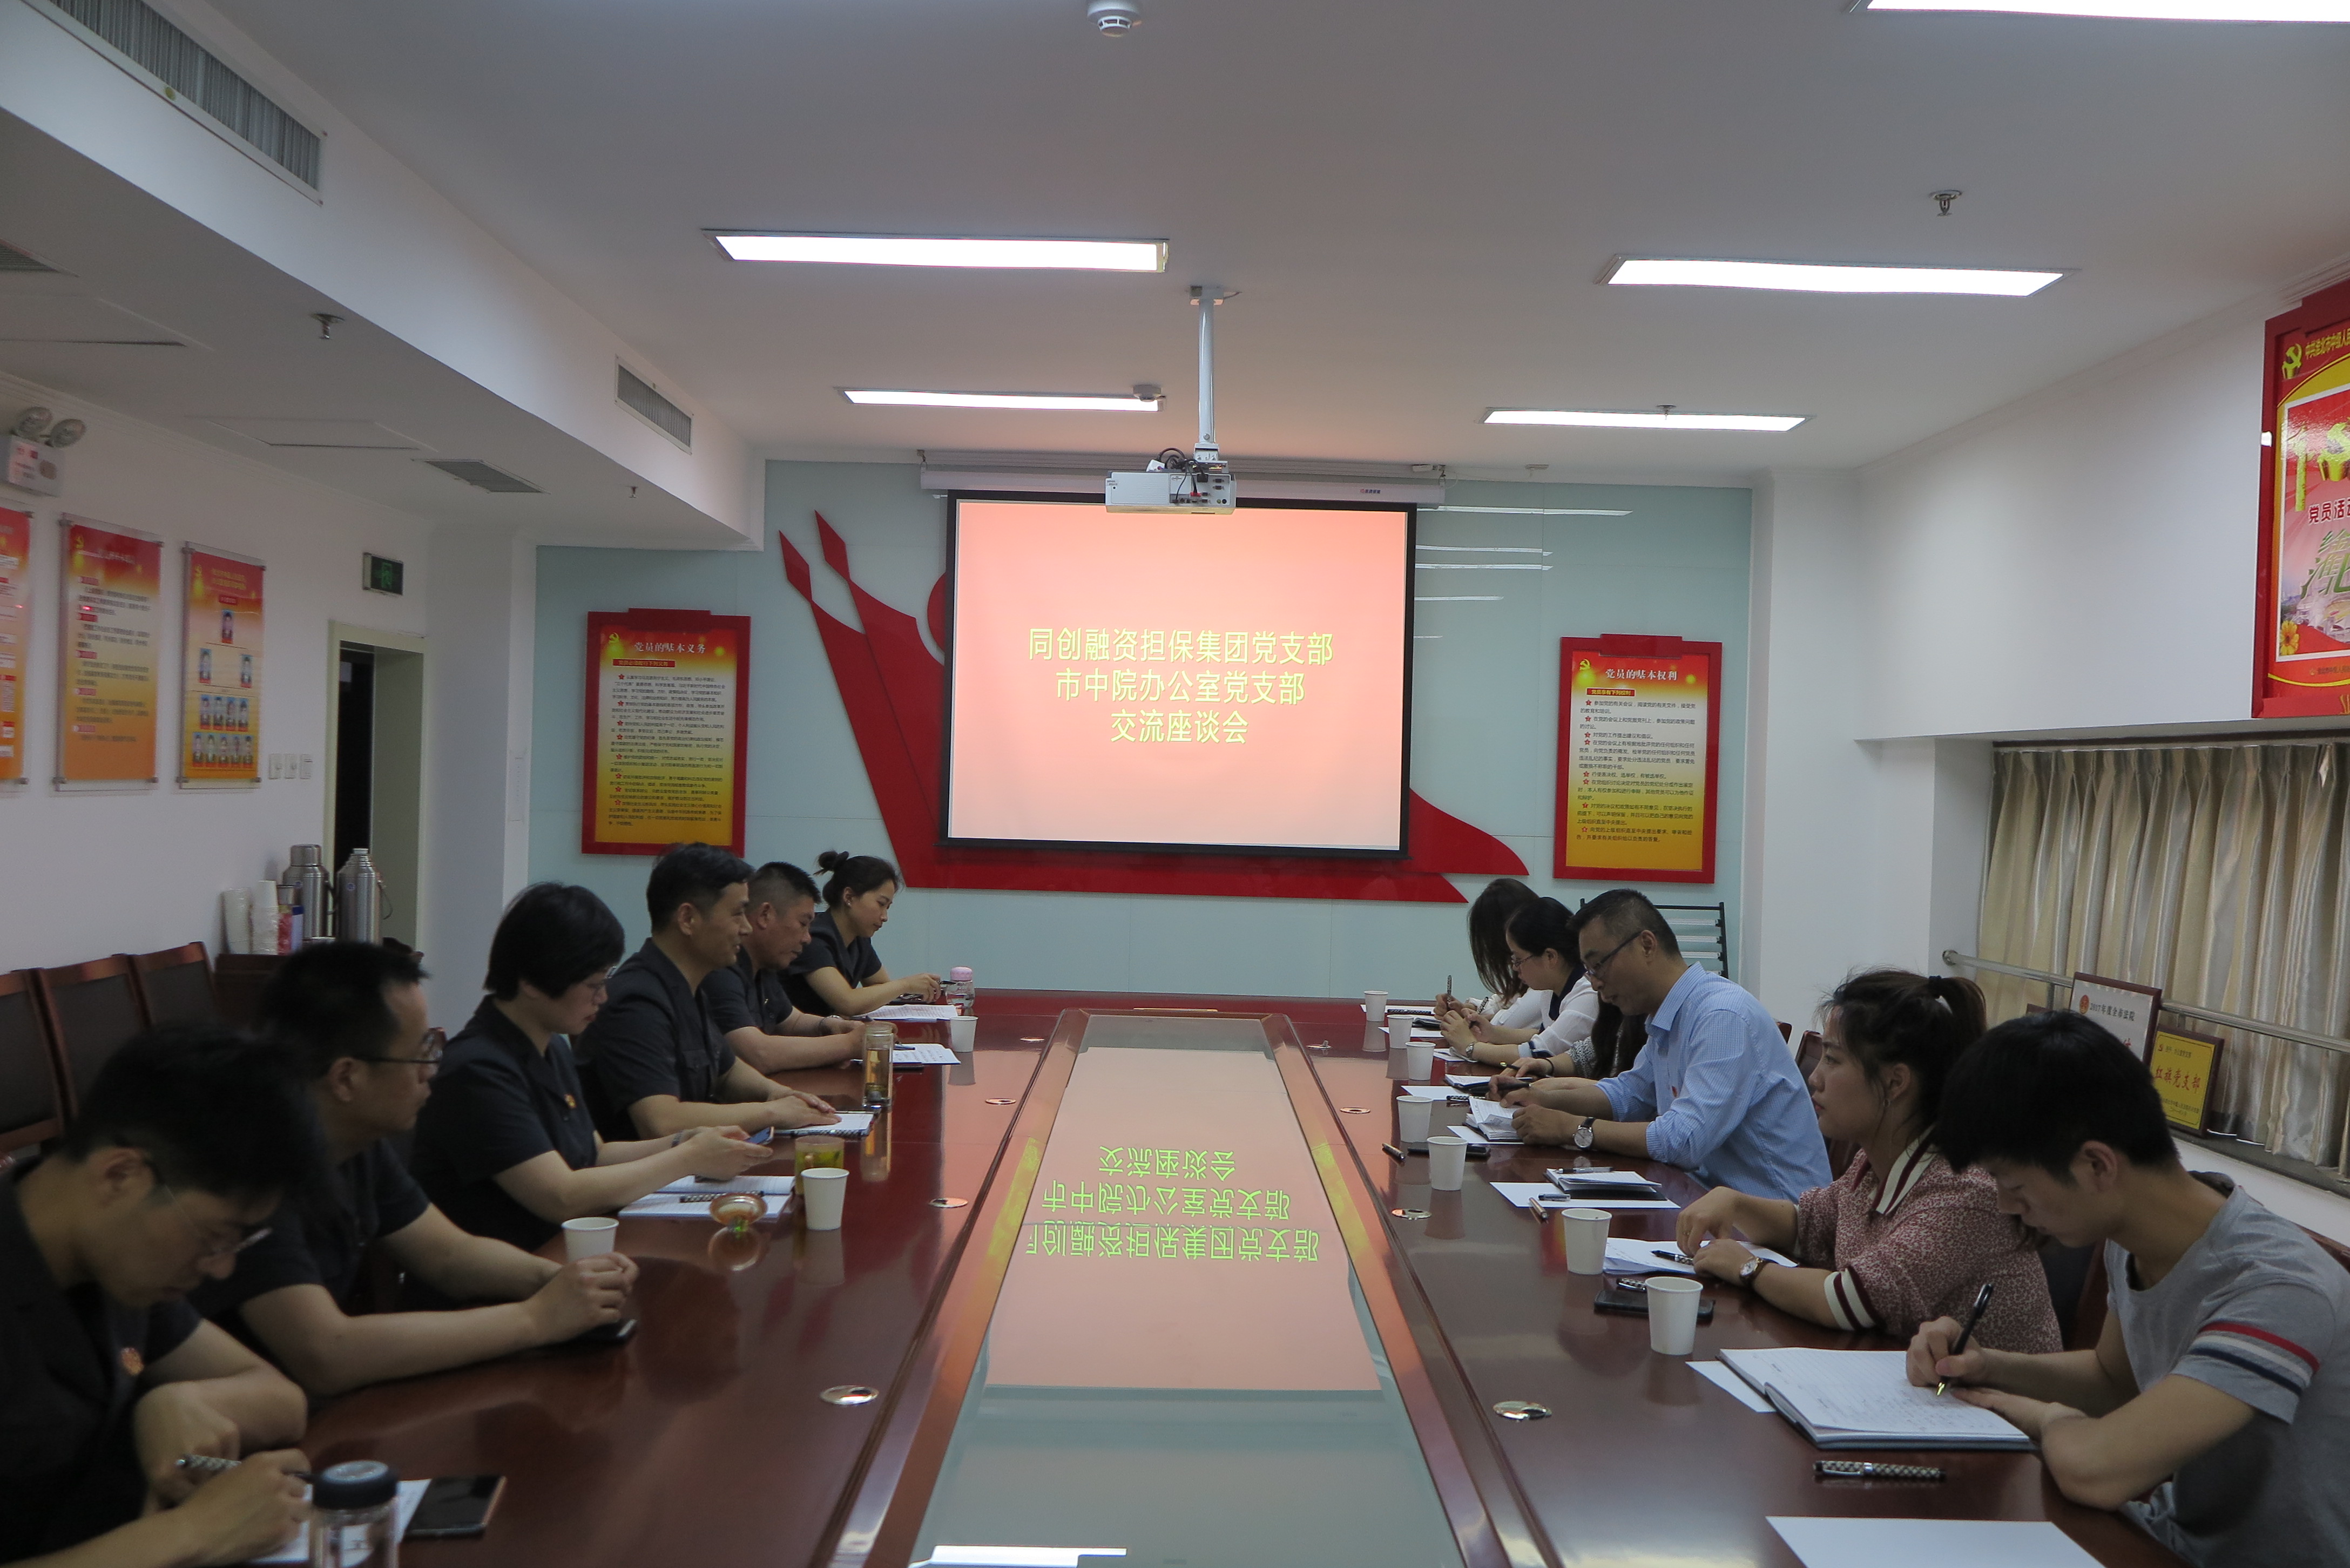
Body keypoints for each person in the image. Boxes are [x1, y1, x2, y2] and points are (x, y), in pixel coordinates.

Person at [1909, 1009, 2350, 1567]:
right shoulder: (2132, 1236)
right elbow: (2114, 1381)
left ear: (2097, 1165)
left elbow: (2096, 1472)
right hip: (2169, 1541)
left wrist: (2046, 1417)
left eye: (2013, 1184)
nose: (2004, 1205)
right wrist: (1985, 1366)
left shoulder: (2278, 1287)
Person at [191, 944, 639, 1397]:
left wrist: (561, 1282)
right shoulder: (254, 1167)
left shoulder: (356, 1142)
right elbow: (327, 1353)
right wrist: (536, 1319)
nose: (432, 1071)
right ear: (346, 1078)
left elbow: (449, 1255)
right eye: (421, 1052)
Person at [2, 1027, 316, 1568]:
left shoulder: (115, 1266)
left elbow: (282, 1398)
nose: (221, 1268)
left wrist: (179, 1400)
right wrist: (195, 1532)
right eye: (213, 1237)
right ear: (120, 1175)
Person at [1674, 969, 2059, 1350]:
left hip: (1985, 1392)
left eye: (1833, 1059)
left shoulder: (1963, 1192)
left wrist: (1748, 1268)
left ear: (1895, 1082)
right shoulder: (1878, 1161)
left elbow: (1847, 1301)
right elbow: (1811, 1225)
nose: (1815, 1078)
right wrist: (1735, 1203)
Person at [411, 883, 784, 1253]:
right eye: (592, 985)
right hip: (516, 1268)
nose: (603, 997)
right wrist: (687, 1158)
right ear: (531, 982)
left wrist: (683, 1141)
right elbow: (561, 1196)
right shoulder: (478, 1070)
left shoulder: (552, 1048)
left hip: (570, 1253)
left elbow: (594, 1155)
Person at [1503, 888, 1828, 1199]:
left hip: (1769, 1217)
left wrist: (1573, 1128)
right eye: (1589, 970)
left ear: (1647, 945)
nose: (1596, 982)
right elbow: (1628, 1094)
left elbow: (1684, 1140)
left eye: (1599, 964)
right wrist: (1543, 1099)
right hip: (1703, 1198)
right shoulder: (1669, 1015)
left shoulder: (1722, 1016)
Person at [578, 842, 840, 1140]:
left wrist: (778, 1093)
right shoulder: (637, 1001)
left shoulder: (688, 987)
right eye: (737, 914)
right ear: (688, 919)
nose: (746, 928)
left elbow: (727, 1071)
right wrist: (771, 1112)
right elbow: (661, 1121)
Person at [700, 861, 862, 1072]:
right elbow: (758, 1054)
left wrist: (831, 1025)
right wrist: (849, 1045)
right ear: (765, 915)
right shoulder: (722, 967)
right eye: (803, 924)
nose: (807, 939)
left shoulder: (765, 965)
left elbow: (792, 1021)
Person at [1441, 898, 1602, 1074]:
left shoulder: (1587, 995)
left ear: (1550, 957)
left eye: (1518, 959)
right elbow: (1543, 1035)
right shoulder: (1552, 989)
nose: (1514, 967)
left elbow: (1538, 1053)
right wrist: (1492, 1033)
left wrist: (1470, 1047)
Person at [781, 851, 938, 1018]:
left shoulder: (860, 938)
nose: (885, 917)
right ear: (849, 897)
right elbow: (848, 1002)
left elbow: (881, 987)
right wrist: (906, 984)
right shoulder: (813, 938)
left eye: (888, 907)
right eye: (881, 904)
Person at [1432, 877, 1548, 1038]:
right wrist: (1465, 1009)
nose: (1513, 966)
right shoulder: (1532, 969)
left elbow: (1502, 1026)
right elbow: (1502, 1003)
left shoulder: (1544, 981)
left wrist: (1471, 1024)